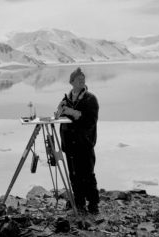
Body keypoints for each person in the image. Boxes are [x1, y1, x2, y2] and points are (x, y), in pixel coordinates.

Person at [56, 67, 100, 214]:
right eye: (78, 79)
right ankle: (79, 202)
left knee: (87, 174)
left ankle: (93, 204)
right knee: (74, 175)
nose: (82, 81)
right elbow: (59, 117)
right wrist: (59, 111)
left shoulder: (90, 99)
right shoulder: (66, 99)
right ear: (71, 82)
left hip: (84, 143)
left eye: (83, 79)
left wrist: (72, 113)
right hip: (69, 144)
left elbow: (90, 121)